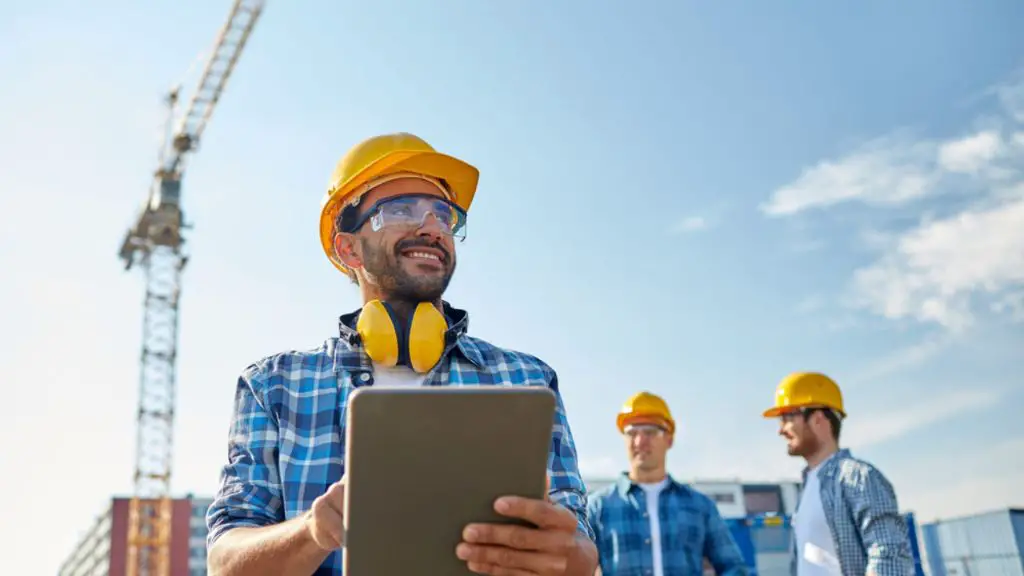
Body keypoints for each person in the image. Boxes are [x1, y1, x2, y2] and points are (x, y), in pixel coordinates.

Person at [204, 132, 599, 575]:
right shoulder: (273, 386)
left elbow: (582, 551)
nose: (432, 227)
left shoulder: (526, 380)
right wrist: (313, 531)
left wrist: (559, 552)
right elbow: (225, 563)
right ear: (347, 246)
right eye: (400, 210)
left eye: (444, 215)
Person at [762, 372, 916, 576]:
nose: (780, 430)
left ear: (818, 419)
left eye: (788, 417)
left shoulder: (859, 478)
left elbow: (888, 555)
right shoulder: (808, 487)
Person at [587, 391, 749, 576]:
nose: (640, 441)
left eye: (650, 432)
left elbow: (734, 568)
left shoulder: (700, 507)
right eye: (632, 433)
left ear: (669, 439)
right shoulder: (597, 507)